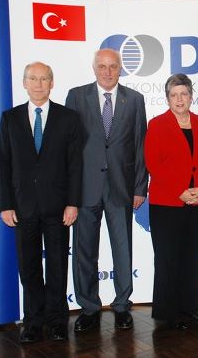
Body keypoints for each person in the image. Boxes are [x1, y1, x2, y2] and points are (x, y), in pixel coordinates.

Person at [0, 62, 82, 343]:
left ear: (52, 82)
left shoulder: (68, 118)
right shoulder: (9, 119)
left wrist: (73, 203)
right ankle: (33, 322)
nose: (38, 84)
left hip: (59, 207)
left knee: (58, 264)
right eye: (33, 78)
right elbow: (3, 164)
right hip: (22, 208)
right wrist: (5, 204)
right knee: (29, 266)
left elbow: (75, 165)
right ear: (24, 83)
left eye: (44, 78)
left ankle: (57, 320)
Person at [66, 48, 147, 332]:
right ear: (94, 68)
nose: (108, 72)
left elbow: (140, 146)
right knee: (84, 251)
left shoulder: (135, 100)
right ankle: (88, 307)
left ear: (120, 68)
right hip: (85, 188)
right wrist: (70, 193)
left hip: (122, 188)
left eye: (113, 66)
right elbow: (70, 149)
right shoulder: (76, 97)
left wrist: (140, 187)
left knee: (122, 249)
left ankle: (122, 305)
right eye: (102, 66)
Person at [144, 74, 198, 329]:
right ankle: (167, 311)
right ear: (167, 98)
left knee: (193, 257)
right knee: (168, 257)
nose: (179, 99)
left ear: (191, 96)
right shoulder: (157, 125)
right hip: (167, 204)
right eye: (174, 95)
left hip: (197, 201)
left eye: (184, 94)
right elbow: (154, 164)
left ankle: (189, 307)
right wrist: (179, 191)